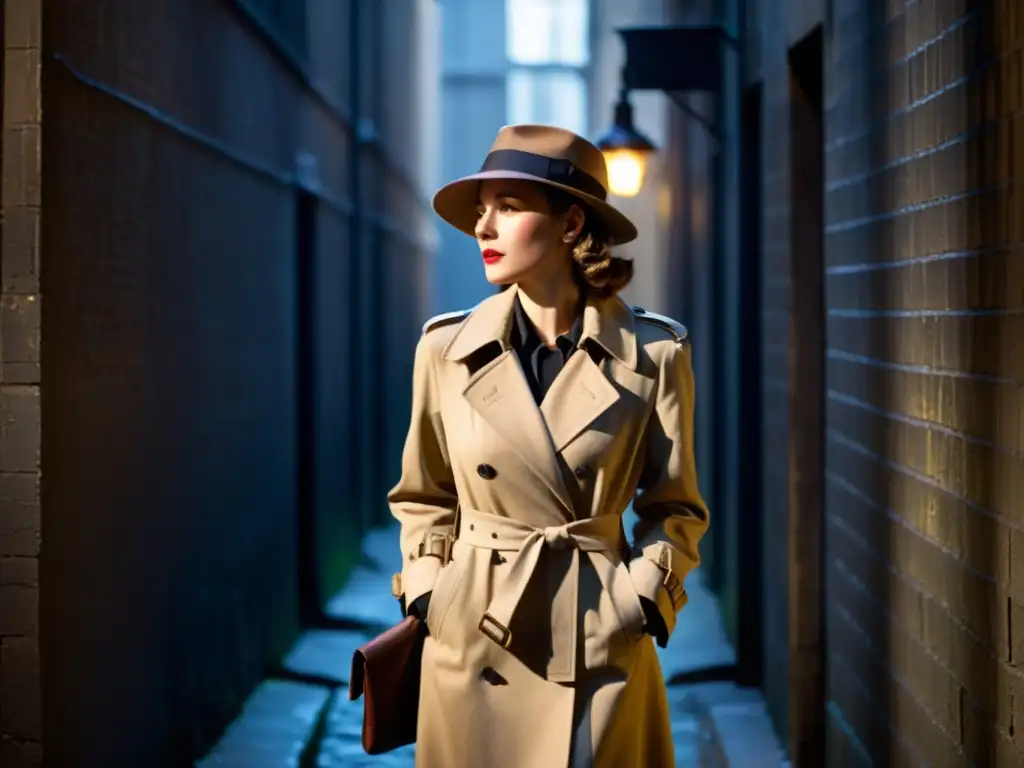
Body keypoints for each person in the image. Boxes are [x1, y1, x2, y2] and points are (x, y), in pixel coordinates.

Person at [387, 124, 709, 768]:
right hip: (474, 632)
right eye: (482, 209)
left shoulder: (653, 354)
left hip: (597, 640)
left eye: (508, 207)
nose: (484, 227)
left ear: (569, 225)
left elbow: (676, 508)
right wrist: (432, 592)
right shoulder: (445, 350)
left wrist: (639, 600)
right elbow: (423, 495)